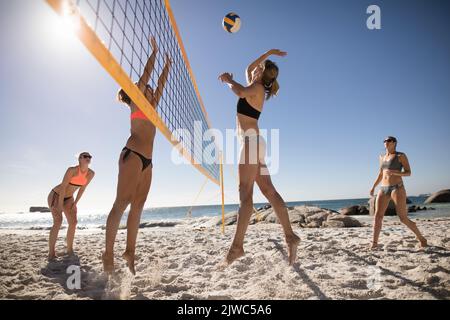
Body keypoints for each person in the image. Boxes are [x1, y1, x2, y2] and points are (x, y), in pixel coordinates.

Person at [218, 49, 300, 266]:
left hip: (251, 144)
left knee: (245, 194)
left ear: (262, 73)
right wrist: (270, 52)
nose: (255, 66)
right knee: (269, 191)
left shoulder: (254, 88)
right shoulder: (258, 86)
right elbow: (248, 67)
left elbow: (239, 92)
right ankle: (290, 236)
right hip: (257, 144)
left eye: (259, 67)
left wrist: (228, 80)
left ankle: (237, 247)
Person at [103, 36, 172, 274]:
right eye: (147, 88)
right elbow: (147, 75)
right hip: (132, 154)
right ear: (138, 92)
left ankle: (129, 251)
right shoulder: (138, 103)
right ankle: (108, 254)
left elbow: (160, 83)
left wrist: (169, 65)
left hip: (148, 161)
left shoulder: (152, 108)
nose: (152, 90)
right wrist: (154, 52)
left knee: (138, 206)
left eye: (152, 90)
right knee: (120, 204)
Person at [370, 136, 427, 249]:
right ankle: (374, 243)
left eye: (389, 140)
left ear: (394, 143)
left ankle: (421, 238)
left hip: (397, 188)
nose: (386, 142)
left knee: (403, 218)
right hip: (383, 188)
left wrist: (395, 173)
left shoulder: (400, 156)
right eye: (385, 141)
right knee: (377, 216)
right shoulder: (381, 157)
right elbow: (381, 174)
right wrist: (373, 187)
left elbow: (408, 172)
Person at [47, 152, 95, 260]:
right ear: (80, 159)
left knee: (73, 222)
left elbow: (82, 189)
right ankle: (51, 253)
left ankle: (69, 250)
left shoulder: (91, 173)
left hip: (69, 198)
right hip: (56, 195)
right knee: (58, 222)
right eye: (85, 156)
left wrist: (75, 203)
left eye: (90, 157)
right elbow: (63, 187)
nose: (88, 158)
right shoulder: (72, 170)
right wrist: (59, 205)